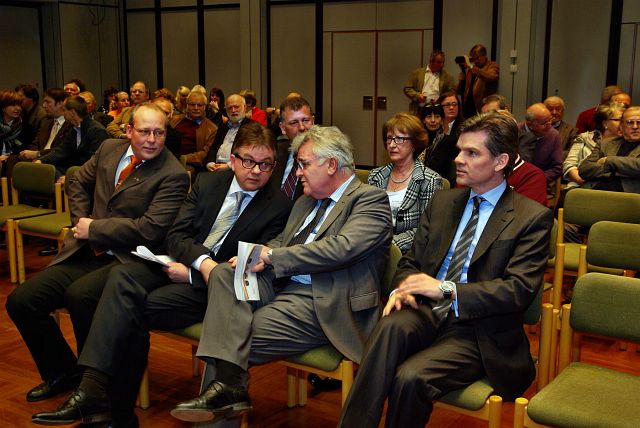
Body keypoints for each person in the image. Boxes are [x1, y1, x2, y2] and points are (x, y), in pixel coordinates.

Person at [29, 121, 292, 427]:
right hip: (181, 265)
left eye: (266, 164)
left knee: (128, 310)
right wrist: (201, 263)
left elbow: (248, 266)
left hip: (217, 291)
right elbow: (176, 235)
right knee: (121, 278)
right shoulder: (208, 182)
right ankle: (96, 394)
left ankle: (104, 403)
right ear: (232, 159)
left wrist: (194, 274)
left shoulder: (280, 206)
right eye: (248, 161)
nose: (256, 171)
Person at [338, 112, 553, 428]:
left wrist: (446, 289)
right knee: (388, 327)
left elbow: (517, 291)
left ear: (500, 161)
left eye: (472, 153)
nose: (459, 160)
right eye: (460, 150)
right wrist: (401, 288)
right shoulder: (443, 202)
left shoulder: (530, 217)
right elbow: (410, 262)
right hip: (426, 310)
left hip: (480, 331)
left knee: (410, 378)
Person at [170, 125, 393, 423]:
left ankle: (224, 395)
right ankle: (229, 390)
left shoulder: (370, 200)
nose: (297, 173)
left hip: (323, 301)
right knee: (223, 273)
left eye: (304, 164)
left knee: (229, 337)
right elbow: (281, 242)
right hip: (281, 287)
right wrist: (255, 255)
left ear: (331, 164)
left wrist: (272, 256)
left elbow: (341, 248)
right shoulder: (304, 201)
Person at [6, 103, 189, 409]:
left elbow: (150, 230)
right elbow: (78, 181)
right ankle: (63, 372)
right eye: (144, 131)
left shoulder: (173, 173)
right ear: (128, 131)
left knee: (81, 296)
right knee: (22, 301)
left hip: (129, 259)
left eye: (159, 132)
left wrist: (95, 228)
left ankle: (95, 386)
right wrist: (82, 222)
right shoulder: (108, 149)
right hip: (87, 250)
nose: (152, 139)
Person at [369, 113, 443, 253]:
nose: (391, 145)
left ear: (415, 143)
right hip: (371, 248)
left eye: (399, 139)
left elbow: (425, 229)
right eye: (389, 138)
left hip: (407, 254)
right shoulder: (376, 175)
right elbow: (367, 218)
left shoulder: (430, 180)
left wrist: (388, 246)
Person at [36, 95, 108, 179]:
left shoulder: (97, 131)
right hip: (74, 171)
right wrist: (41, 160)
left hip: (89, 176)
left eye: (64, 110)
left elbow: (93, 163)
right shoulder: (73, 129)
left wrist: (70, 177)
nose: (62, 113)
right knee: (47, 170)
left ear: (72, 112)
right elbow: (61, 150)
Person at [564, 102, 626, 189]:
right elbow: (569, 164)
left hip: (611, 188)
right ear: (605, 124)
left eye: (625, 120)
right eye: (619, 120)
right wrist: (583, 181)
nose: (624, 123)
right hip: (579, 185)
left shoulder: (627, 142)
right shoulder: (585, 138)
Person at [578, 106, 640, 193]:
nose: (635, 126)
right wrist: (617, 171)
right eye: (630, 122)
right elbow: (584, 169)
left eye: (639, 122)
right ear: (621, 126)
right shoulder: (605, 143)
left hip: (627, 195)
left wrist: (609, 161)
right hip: (594, 190)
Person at [271, 96, 315, 200]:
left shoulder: (325, 155)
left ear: (313, 121)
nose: (302, 127)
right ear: (282, 128)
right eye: (294, 123)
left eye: (305, 120)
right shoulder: (275, 152)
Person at [170, 90, 218, 171]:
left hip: (190, 164)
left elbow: (205, 153)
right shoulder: (174, 120)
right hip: (169, 158)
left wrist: (183, 158)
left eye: (199, 105)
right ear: (187, 105)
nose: (196, 108)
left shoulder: (211, 128)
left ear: (205, 107)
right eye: (192, 104)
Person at [518, 103, 563, 186]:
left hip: (541, 182)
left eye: (550, 120)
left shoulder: (554, 135)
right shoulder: (515, 132)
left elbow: (557, 167)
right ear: (530, 125)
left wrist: (537, 179)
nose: (549, 125)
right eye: (544, 123)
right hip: (515, 182)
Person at [204, 94, 250, 172]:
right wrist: (210, 163)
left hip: (236, 170)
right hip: (215, 167)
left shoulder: (252, 127)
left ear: (245, 107)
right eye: (229, 108)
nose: (233, 110)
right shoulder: (223, 127)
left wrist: (229, 165)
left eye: (236, 107)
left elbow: (250, 154)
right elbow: (213, 148)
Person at [403, 49, 455, 114]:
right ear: (431, 61)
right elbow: (407, 88)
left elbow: (451, 92)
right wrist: (417, 96)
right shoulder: (417, 73)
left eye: (443, 62)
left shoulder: (447, 76)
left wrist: (441, 99)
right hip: (419, 109)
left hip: (438, 109)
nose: (441, 65)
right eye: (439, 62)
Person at [418, 102, 458, 184]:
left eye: (437, 116)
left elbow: (437, 168)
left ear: (442, 120)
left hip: (439, 183)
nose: (433, 120)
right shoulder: (417, 141)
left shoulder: (449, 141)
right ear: (423, 120)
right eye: (429, 117)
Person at [457, 44, 500, 118]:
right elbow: (463, 90)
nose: (475, 61)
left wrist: (470, 66)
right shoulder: (471, 69)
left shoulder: (492, 66)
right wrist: (462, 80)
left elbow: (491, 77)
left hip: (482, 107)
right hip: (468, 109)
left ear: (484, 55)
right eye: (473, 58)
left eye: (477, 58)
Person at [16, 83, 46, 147]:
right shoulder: (21, 112)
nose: (17, 99)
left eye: (20, 96)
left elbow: (40, 139)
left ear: (31, 98)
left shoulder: (42, 115)